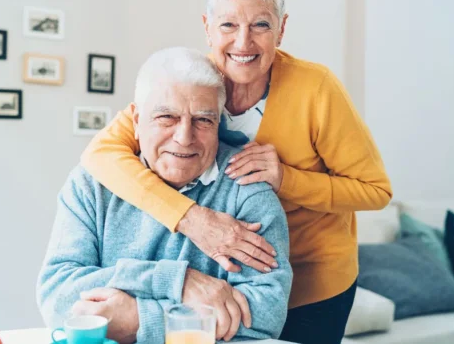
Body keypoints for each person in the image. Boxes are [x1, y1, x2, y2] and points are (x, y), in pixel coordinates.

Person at [80, 0, 392, 344]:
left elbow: (375, 190)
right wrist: (192, 219)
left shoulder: (318, 90)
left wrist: (285, 178)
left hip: (315, 281)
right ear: (208, 28)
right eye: (228, 25)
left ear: (281, 28)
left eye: (260, 25)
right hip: (228, 274)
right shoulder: (191, 83)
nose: (243, 43)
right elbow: (101, 155)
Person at [36, 47, 292, 344]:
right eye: (167, 117)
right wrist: (175, 280)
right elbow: (58, 299)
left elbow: (265, 314)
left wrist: (141, 319)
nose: (184, 137)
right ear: (135, 119)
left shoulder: (247, 189)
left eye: (203, 120)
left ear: (218, 123)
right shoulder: (91, 184)